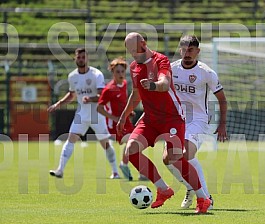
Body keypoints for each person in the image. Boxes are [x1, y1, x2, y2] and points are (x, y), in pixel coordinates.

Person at [117, 32, 211, 214]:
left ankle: (202, 198)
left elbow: (165, 83)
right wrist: (123, 116)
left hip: (172, 118)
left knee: (176, 158)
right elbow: (136, 94)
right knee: (131, 150)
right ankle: (163, 189)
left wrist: (152, 85)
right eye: (129, 51)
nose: (133, 54)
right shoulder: (134, 67)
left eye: (134, 49)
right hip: (150, 119)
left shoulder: (161, 60)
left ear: (143, 44)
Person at [163, 35, 228, 209]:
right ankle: (191, 187)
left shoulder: (206, 72)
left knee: (186, 154)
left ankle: (206, 197)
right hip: (176, 119)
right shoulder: (171, 69)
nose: (187, 53)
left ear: (197, 51)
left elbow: (222, 99)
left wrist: (222, 124)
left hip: (198, 119)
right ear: (179, 50)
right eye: (184, 49)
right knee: (167, 159)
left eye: (191, 50)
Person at [48, 48, 120, 179]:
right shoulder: (72, 76)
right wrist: (58, 103)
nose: (81, 59)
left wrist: (91, 99)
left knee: (105, 143)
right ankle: (60, 170)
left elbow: (102, 95)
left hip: (96, 114)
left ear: (87, 58)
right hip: (81, 114)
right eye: (78, 57)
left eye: (83, 57)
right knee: (71, 139)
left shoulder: (96, 74)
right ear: (75, 59)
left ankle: (115, 171)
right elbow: (72, 95)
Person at [97, 57, 148, 181]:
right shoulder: (108, 89)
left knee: (135, 143)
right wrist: (114, 118)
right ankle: (141, 172)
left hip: (126, 121)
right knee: (133, 142)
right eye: (117, 72)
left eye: (122, 71)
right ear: (113, 73)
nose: (120, 74)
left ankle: (124, 164)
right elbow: (99, 108)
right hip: (116, 125)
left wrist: (128, 113)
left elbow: (123, 102)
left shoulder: (124, 84)